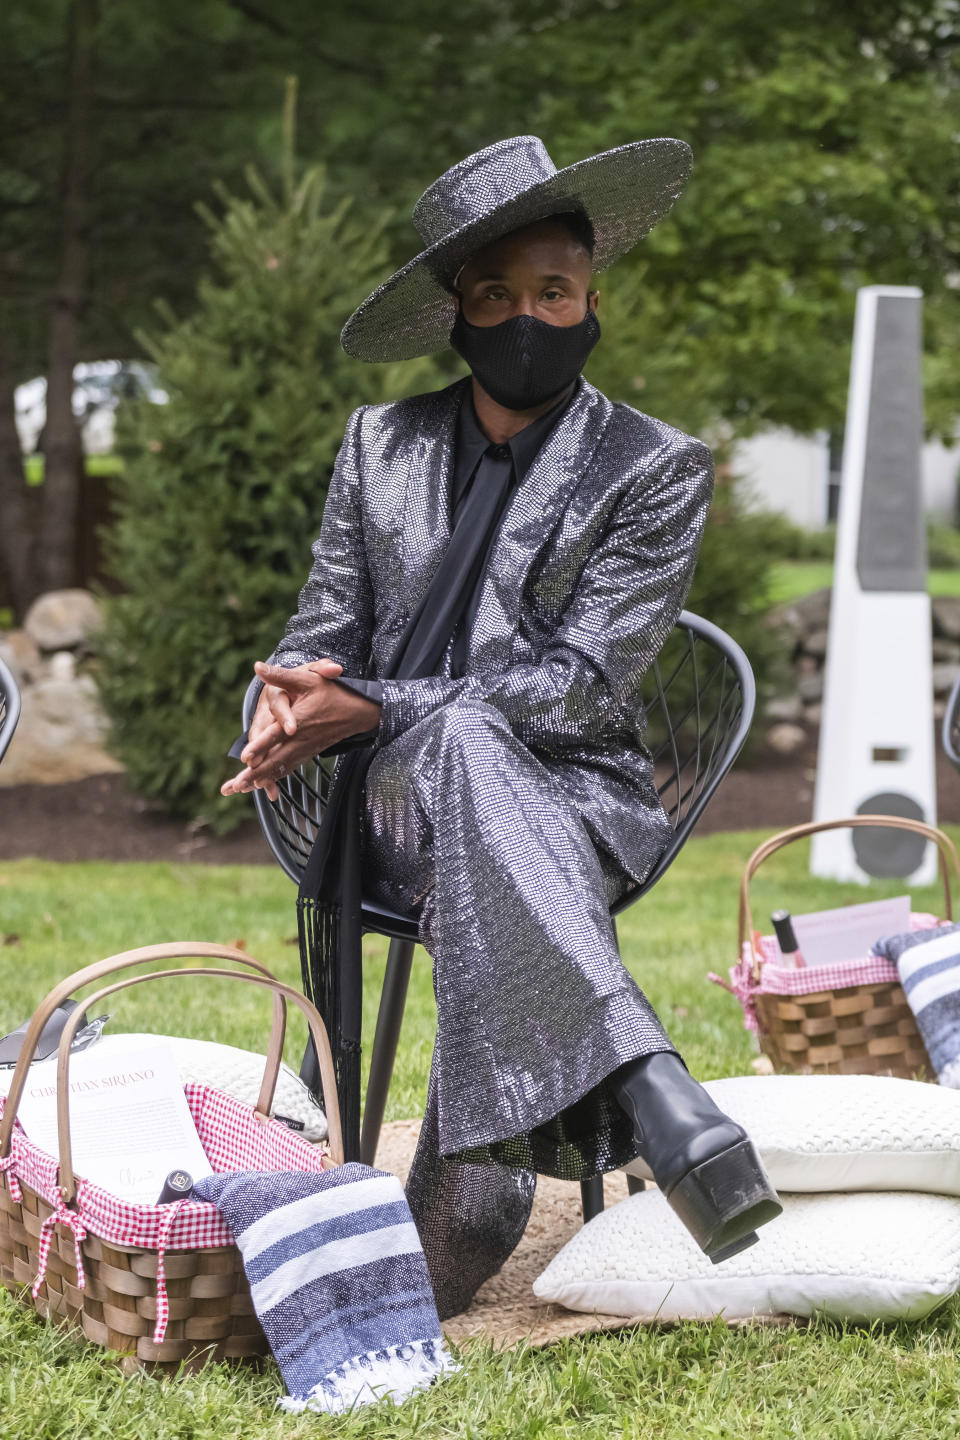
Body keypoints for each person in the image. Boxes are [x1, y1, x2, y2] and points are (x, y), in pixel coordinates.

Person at [222, 135, 781, 1318]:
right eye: (496, 294)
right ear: (456, 311)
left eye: (553, 293)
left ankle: (471, 1190)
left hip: (574, 801)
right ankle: (645, 1080)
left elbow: (582, 688)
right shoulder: (383, 442)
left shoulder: (652, 465)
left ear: (591, 303)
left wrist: (376, 700)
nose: (527, 315)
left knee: (478, 746)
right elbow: (322, 628)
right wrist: (294, 701)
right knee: (466, 745)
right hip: (381, 799)